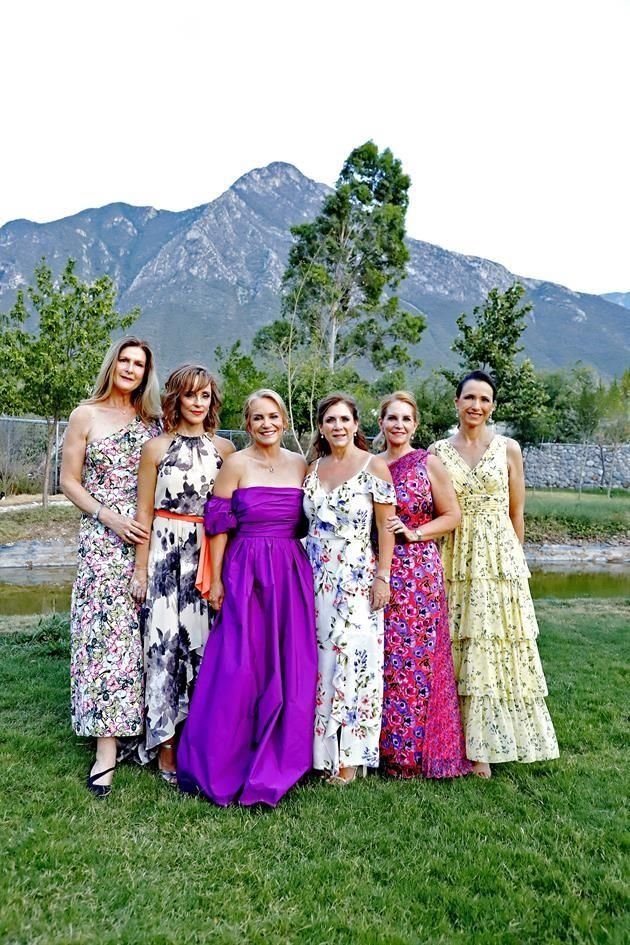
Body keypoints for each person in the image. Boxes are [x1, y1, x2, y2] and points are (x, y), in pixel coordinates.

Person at [177, 389, 318, 807]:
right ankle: (223, 760)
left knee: (288, 665)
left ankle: (280, 759)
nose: (266, 424)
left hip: (290, 574)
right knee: (240, 665)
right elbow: (218, 526)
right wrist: (216, 580)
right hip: (246, 571)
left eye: (273, 416)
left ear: (285, 421)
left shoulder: (300, 465)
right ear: (248, 423)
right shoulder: (235, 464)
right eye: (257, 418)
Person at [431, 370, 559, 778]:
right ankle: (457, 743)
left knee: (494, 647)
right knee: (457, 646)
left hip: (498, 558)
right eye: (469, 397)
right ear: (456, 402)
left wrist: (515, 563)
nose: (476, 406)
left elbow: (516, 512)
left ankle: (490, 742)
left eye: (485, 399)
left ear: (493, 406)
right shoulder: (437, 451)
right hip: (454, 555)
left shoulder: (508, 449)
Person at [60, 337, 161, 797]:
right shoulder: (86, 415)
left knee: (147, 636)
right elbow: (68, 481)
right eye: (125, 360)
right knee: (108, 639)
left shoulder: (152, 421)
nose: (131, 368)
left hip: (150, 538)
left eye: (139, 364)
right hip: (104, 537)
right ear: (113, 364)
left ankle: (145, 735)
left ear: (146, 373)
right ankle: (105, 748)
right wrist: (107, 516)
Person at [131, 364, 235, 784]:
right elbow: (143, 513)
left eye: (205, 395)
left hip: (207, 554)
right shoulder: (155, 449)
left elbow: (231, 514)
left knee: (204, 647)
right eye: (190, 395)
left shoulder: (225, 449)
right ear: (176, 398)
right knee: (164, 647)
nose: (198, 402)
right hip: (163, 554)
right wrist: (140, 569)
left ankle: (200, 738)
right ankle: (166, 744)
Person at [303, 392, 396, 784]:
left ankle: (351, 757)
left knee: (356, 661)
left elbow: (386, 529)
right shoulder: (311, 469)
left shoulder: (374, 467)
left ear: (356, 425)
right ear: (321, 428)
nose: (338, 427)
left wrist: (383, 577)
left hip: (357, 575)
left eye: (345, 420)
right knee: (320, 664)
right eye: (330, 421)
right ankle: (319, 754)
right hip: (313, 574)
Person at [377, 392, 471, 779]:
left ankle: (411, 754)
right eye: (391, 418)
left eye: (406, 419)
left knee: (413, 661)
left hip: (417, 572)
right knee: (382, 659)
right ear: (380, 422)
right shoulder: (370, 464)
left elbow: (452, 515)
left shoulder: (428, 463)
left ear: (415, 425)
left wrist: (414, 533)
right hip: (375, 567)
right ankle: (378, 748)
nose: (398, 425)